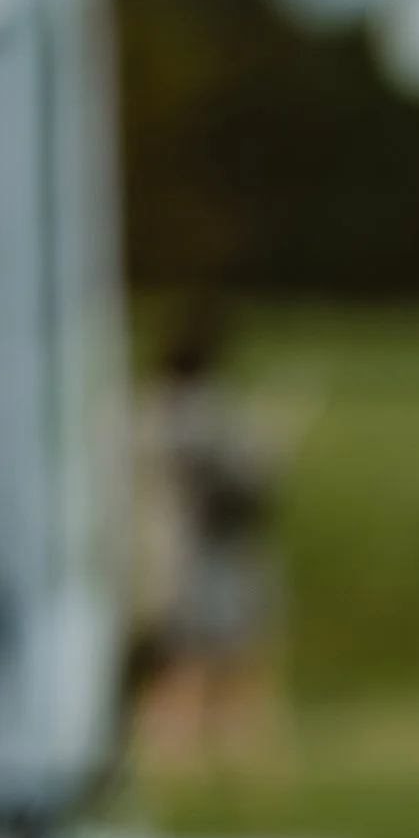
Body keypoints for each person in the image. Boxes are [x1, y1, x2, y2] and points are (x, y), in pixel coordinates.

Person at [130, 306, 286, 775]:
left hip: (170, 558)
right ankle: (220, 759)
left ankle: (183, 759)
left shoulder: (147, 413)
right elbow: (247, 484)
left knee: (189, 663)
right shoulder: (205, 417)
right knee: (209, 665)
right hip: (206, 558)